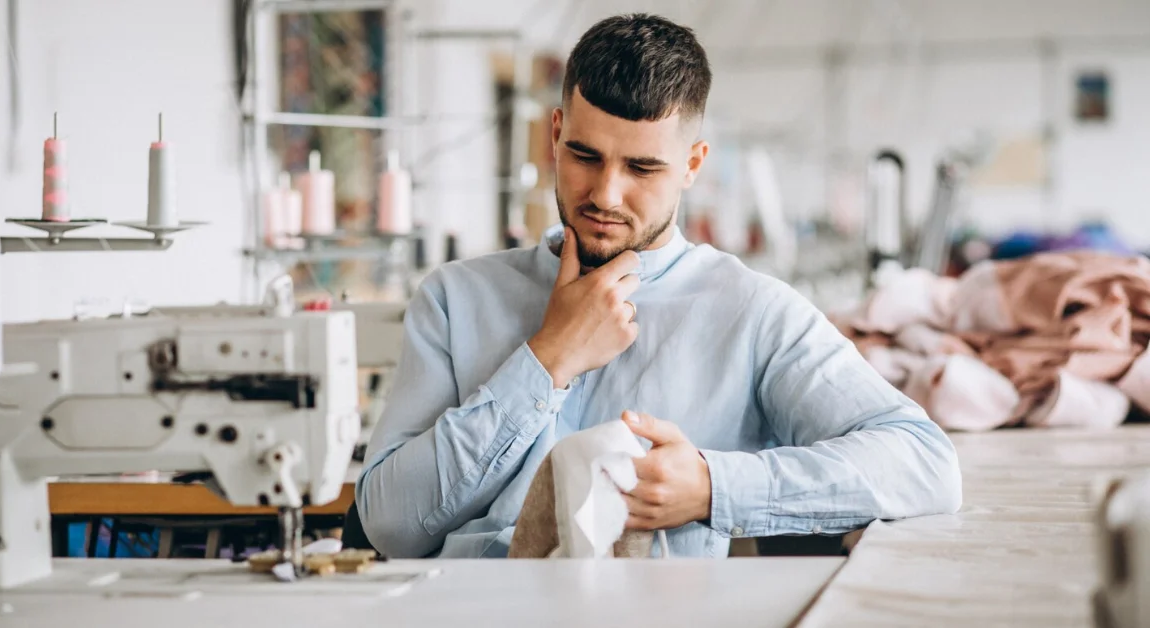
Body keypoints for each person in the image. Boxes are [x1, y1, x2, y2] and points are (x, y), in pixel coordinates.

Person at [356, 13, 961, 559]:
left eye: (642, 168)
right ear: (556, 132)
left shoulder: (751, 312)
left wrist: (711, 487)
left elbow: (925, 465)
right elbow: (389, 525)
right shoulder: (455, 299)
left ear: (693, 164)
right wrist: (548, 360)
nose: (605, 195)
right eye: (585, 155)